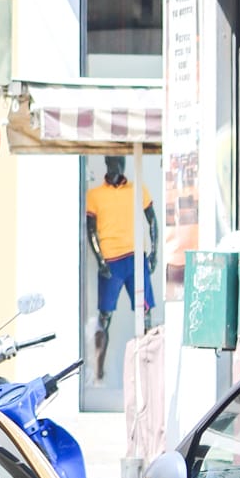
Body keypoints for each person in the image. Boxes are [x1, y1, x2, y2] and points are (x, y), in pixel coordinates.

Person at [86, 155, 157, 382]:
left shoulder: (138, 189)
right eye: (114, 161)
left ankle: (148, 367)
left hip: (136, 257)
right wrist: (100, 261)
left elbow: (152, 220)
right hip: (111, 259)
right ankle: (99, 371)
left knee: (145, 312)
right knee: (105, 315)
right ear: (107, 163)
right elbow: (90, 230)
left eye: (121, 161)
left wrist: (153, 251)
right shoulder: (95, 195)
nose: (119, 165)